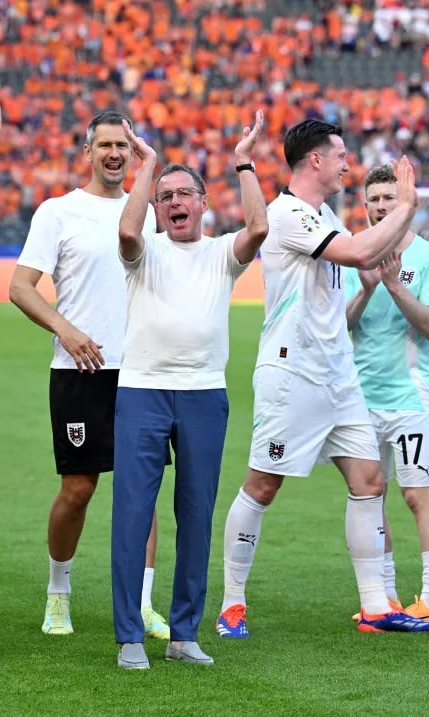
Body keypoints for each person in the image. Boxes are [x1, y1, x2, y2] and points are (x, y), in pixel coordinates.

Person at [215, 119, 429, 639]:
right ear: (314, 160)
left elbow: (360, 256)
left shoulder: (323, 213)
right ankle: (231, 604)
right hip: (293, 371)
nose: (347, 163)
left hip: (338, 374)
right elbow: (360, 251)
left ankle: (375, 606)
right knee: (263, 484)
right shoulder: (287, 214)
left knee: (369, 482)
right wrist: (404, 208)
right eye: (339, 155)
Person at [111, 111, 268, 669]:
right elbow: (127, 232)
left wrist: (244, 161)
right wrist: (147, 165)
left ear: (203, 203)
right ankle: (130, 635)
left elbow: (260, 228)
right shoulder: (144, 250)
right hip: (143, 391)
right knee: (132, 513)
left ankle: (183, 634)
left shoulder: (220, 253)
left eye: (185, 193)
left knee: (196, 515)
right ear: (157, 207)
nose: (175, 202)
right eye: (165, 196)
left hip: (203, 393)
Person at [9, 110, 168, 639]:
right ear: (87, 152)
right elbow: (21, 286)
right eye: (104, 145)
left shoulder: (148, 212)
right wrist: (67, 330)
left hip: (144, 371)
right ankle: (58, 592)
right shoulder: (59, 212)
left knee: (143, 491)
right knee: (77, 489)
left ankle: (142, 605)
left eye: (123, 145)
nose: (114, 154)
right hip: (81, 370)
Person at [343, 164, 429, 626]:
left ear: (403, 202)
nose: (381, 206)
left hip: (409, 399)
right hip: (361, 401)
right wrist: (368, 290)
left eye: (389, 198)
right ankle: (382, 597)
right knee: (371, 496)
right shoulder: (353, 254)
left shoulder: (428, 259)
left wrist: (393, 286)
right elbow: (341, 326)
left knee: (417, 495)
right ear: (365, 205)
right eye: (375, 200)